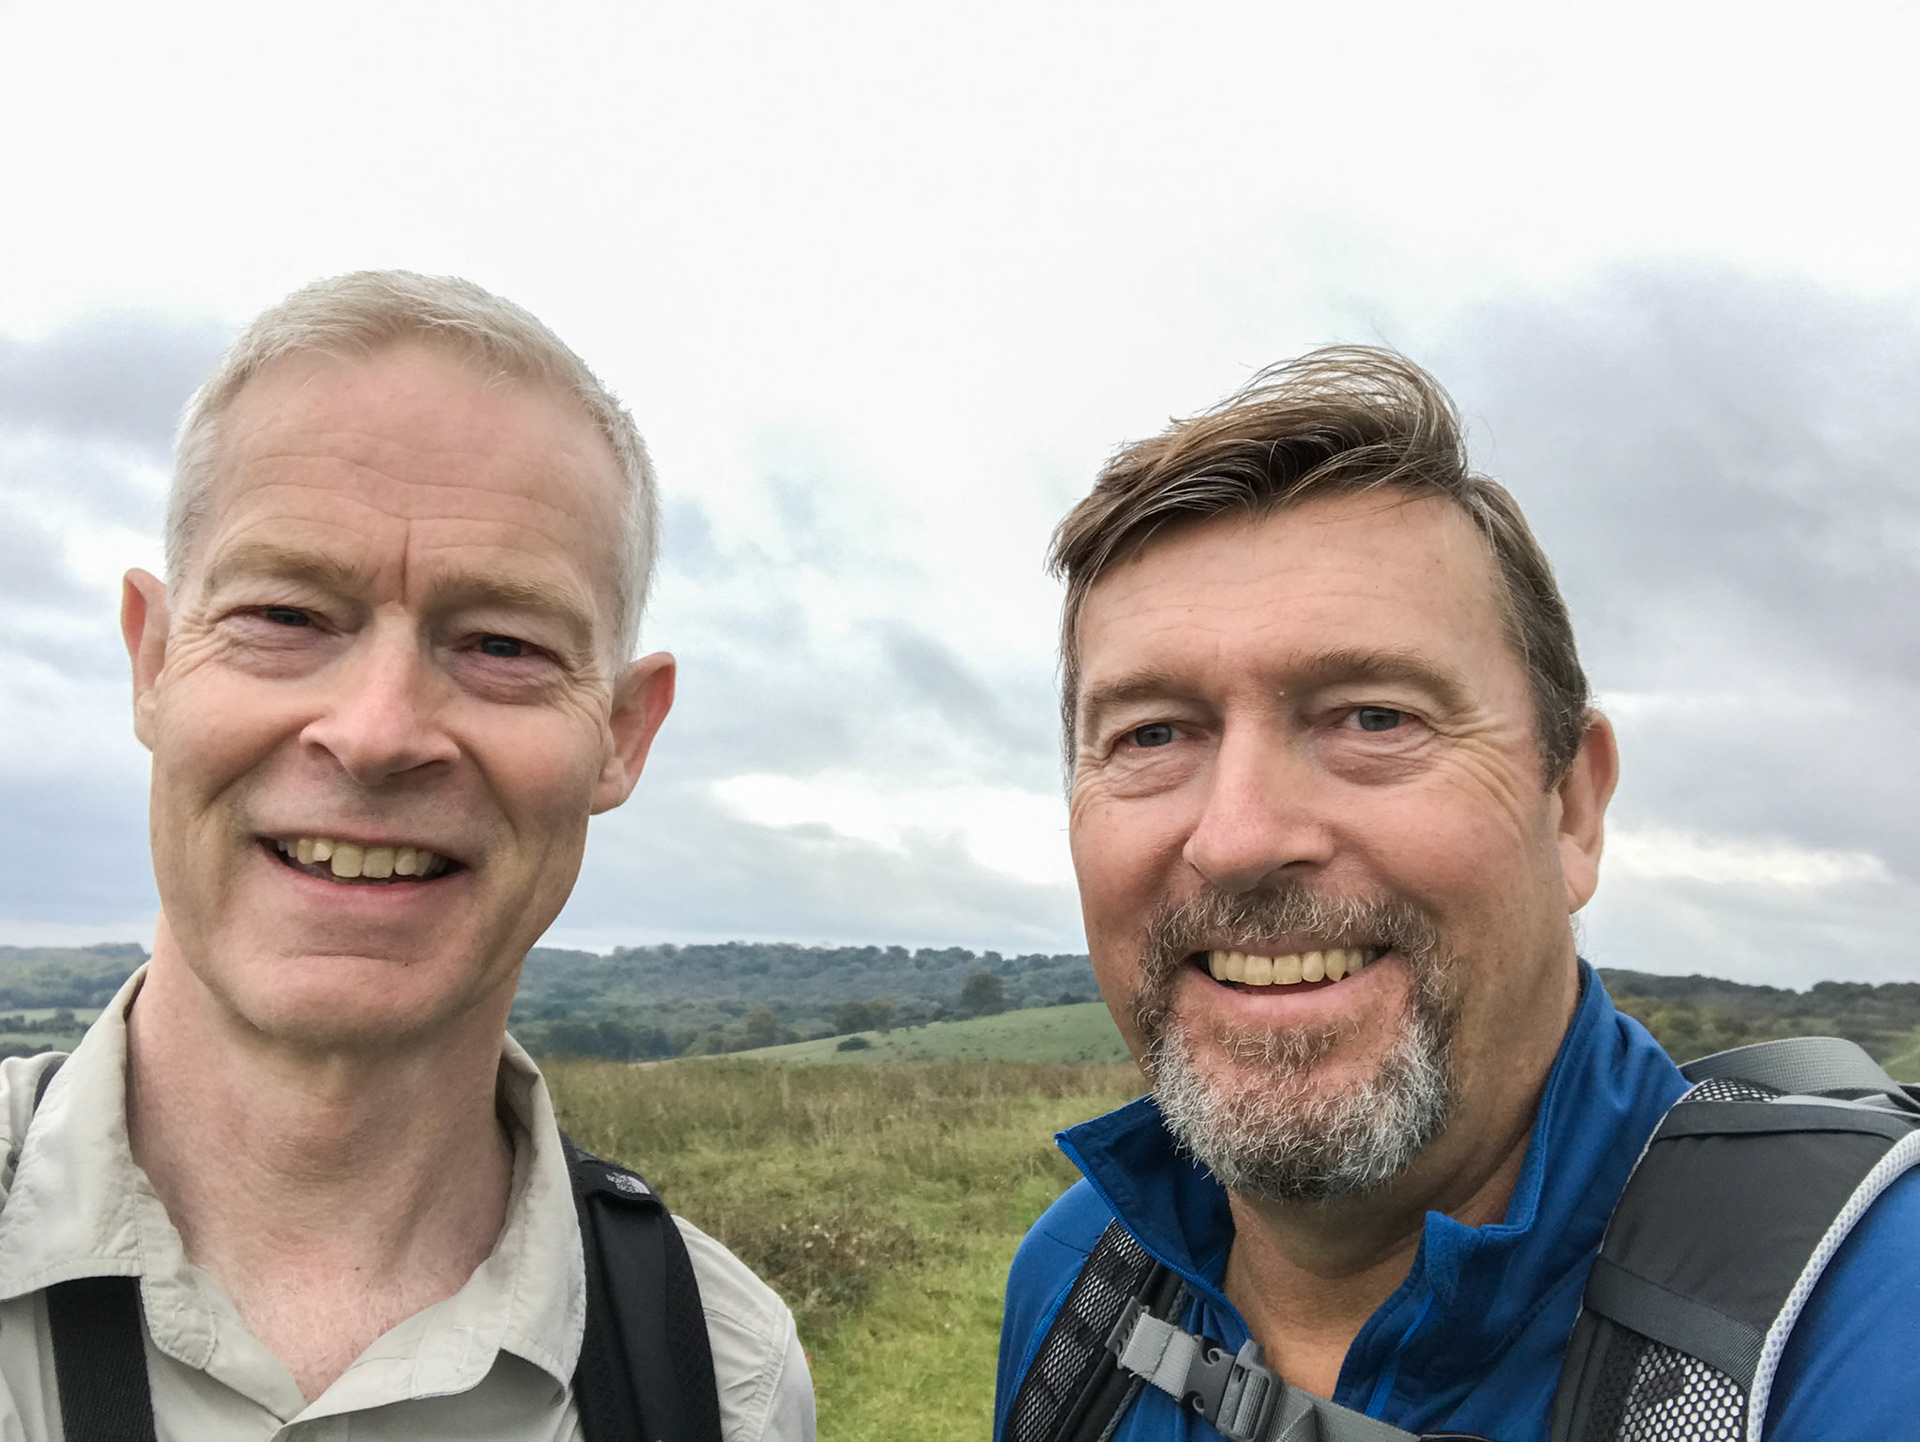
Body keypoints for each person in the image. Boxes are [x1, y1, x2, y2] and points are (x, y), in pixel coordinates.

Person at [994, 348, 1920, 1441]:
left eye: (1374, 716)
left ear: (1571, 806)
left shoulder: (1872, 1330)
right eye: (1152, 734)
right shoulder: (1077, 1284)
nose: (1239, 836)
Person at [0, 271, 814, 1441]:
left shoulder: (724, 1376)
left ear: (624, 735)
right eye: (286, 615)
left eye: (500, 642)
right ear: (154, 660)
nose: (378, 731)